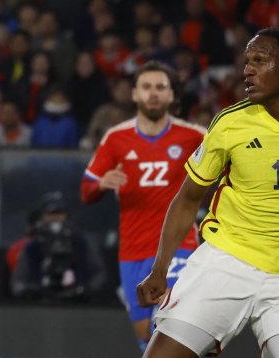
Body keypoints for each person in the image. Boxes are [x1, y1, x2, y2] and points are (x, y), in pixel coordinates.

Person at [137, 28, 279, 358]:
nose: (247, 70)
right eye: (246, 62)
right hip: (227, 261)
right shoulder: (230, 123)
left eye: (259, 61)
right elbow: (189, 197)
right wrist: (160, 268)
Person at [80, 61, 205, 352]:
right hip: (133, 249)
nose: (153, 94)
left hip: (179, 244)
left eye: (161, 87)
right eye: (146, 87)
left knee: (167, 321)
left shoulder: (194, 137)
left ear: (172, 96)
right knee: (145, 337)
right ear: (134, 94)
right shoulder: (116, 138)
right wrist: (101, 184)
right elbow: (85, 192)